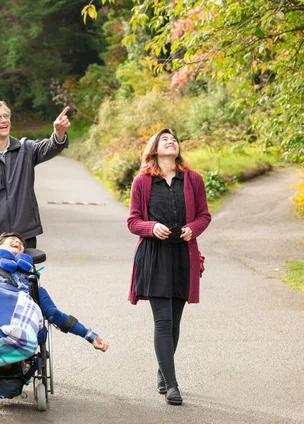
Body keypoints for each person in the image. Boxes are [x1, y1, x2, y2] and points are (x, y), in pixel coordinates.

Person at [127, 128, 211, 405]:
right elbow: (133, 222)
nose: (171, 141)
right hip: (154, 256)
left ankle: (163, 373)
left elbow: (203, 215)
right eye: (165, 139)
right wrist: (152, 227)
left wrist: (192, 229)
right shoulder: (142, 181)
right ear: (154, 149)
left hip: (183, 256)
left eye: (174, 138)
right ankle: (172, 385)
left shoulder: (193, 179)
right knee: (163, 321)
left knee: (174, 322)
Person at [0, 232, 109, 352]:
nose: (17, 241)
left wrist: (89, 336)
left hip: (20, 319)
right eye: (12, 240)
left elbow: (55, 314)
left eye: (20, 243)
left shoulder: (31, 282)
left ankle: (10, 333)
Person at [0, 101, 71, 250]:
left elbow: (51, 147)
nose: (4, 120)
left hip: (24, 237)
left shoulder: (25, 148)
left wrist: (59, 133)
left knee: (25, 273)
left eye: (6, 116)